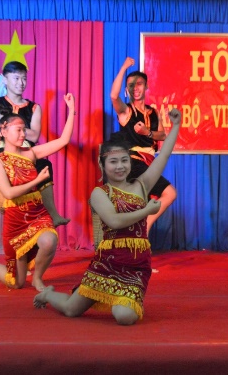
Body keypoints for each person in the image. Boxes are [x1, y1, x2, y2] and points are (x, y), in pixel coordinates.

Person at [33, 109, 182, 326]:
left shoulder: (141, 185)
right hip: (107, 263)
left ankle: (121, 298)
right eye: (113, 162)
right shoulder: (100, 193)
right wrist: (146, 212)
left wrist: (176, 126)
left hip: (136, 265)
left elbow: (164, 156)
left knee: (125, 316)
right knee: (71, 309)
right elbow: (114, 221)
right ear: (102, 165)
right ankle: (48, 294)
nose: (120, 166)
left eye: (124, 160)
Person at [0, 93, 76, 291]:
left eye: (24, 130)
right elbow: (9, 193)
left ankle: (37, 278)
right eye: (18, 130)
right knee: (17, 283)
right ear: (3, 131)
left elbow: (63, 141)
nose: (23, 134)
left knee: (50, 240)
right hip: (16, 221)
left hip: (38, 213)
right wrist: (37, 180)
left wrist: (71, 110)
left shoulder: (31, 154)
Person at [0, 46, 70, 226]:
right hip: (3, 154)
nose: (21, 82)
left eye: (24, 78)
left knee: (45, 164)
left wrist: (11, 125)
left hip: (26, 153)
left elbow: (34, 136)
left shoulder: (34, 107)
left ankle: (53, 213)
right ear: (5, 79)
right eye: (16, 78)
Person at [110, 56, 176, 233]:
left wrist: (147, 132)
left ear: (146, 86)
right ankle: (145, 227)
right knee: (169, 193)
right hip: (134, 162)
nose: (135, 88)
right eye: (131, 85)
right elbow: (113, 96)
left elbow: (162, 134)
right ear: (127, 89)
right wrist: (123, 67)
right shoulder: (126, 112)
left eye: (139, 84)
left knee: (144, 205)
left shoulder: (153, 112)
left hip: (149, 163)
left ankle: (137, 236)